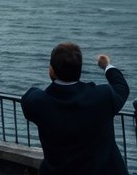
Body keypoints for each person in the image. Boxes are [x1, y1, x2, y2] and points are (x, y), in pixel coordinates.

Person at [21, 42, 130, 175]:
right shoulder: (103, 96)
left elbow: (29, 96)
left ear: (51, 70)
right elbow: (121, 87)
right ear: (79, 70)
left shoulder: (38, 102)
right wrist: (107, 66)